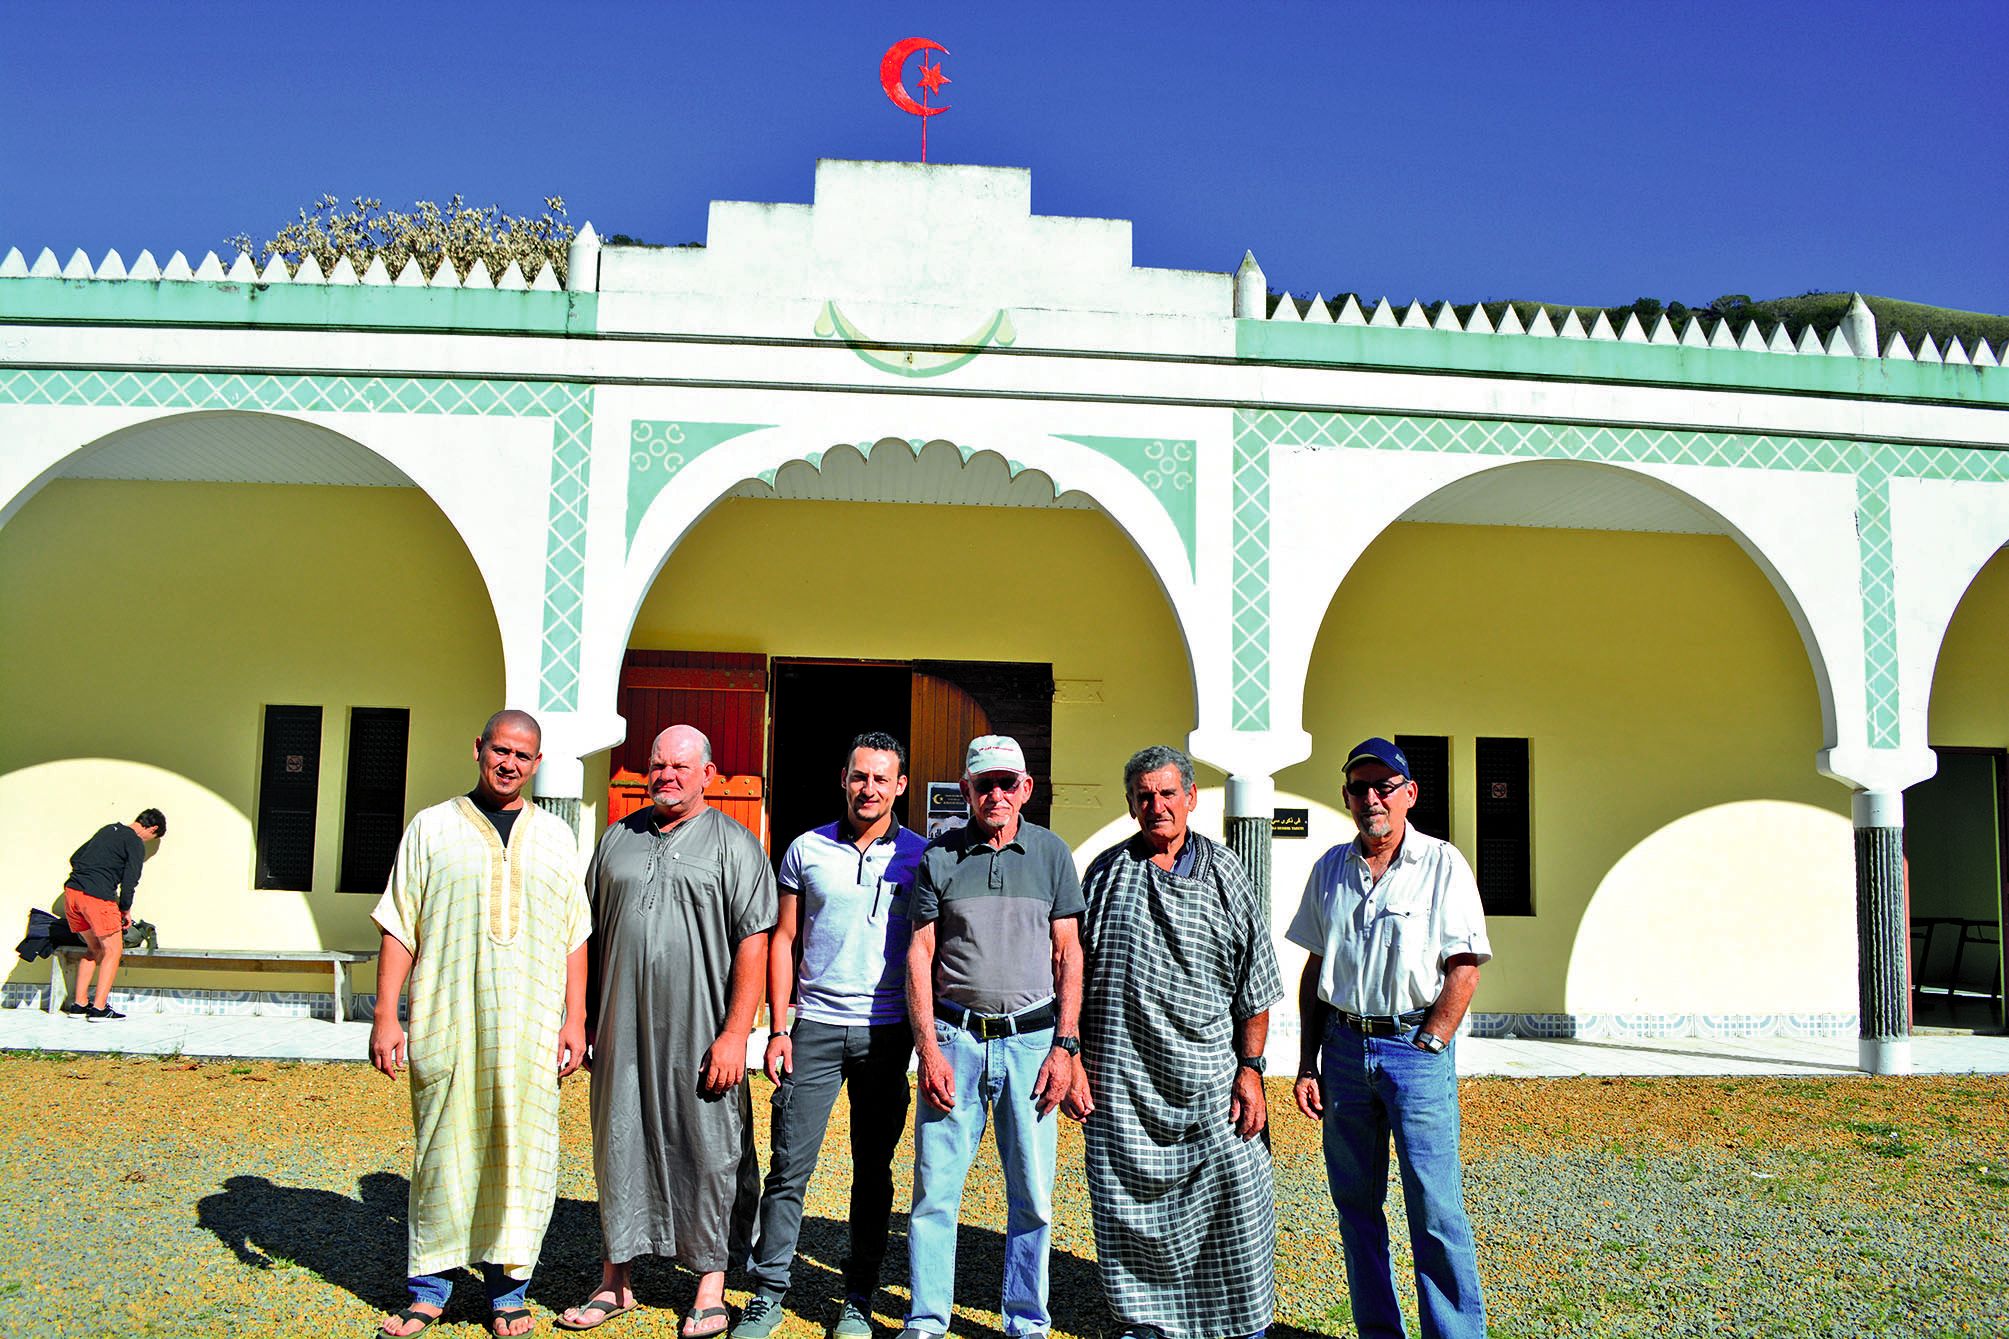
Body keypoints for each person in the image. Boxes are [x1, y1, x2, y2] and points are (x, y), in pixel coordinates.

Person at [369, 709, 591, 1339]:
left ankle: (508, 1290)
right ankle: (429, 1289)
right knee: (444, 1150)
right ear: (478, 749)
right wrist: (387, 1014)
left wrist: (575, 1018)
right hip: (448, 1020)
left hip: (529, 1028)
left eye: (523, 755)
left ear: (537, 762)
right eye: (500, 750)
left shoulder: (554, 837)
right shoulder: (432, 828)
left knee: (521, 1154)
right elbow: (398, 924)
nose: (509, 763)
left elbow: (577, 936)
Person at [562, 724, 777, 1337]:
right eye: (658, 765)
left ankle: (711, 1286)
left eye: (682, 766)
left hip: (702, 1032)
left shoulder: (735, 845)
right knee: (618, 1142)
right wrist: (578, 1017)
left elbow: (755, 943)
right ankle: (615, 1280)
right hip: (621, 1029)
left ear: (708, 774)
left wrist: (738, 1033)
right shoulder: (615, 841)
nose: (667, 776)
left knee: (710, 1151)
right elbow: (585, 937)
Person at [1068, 745, 1282, 1339]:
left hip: (1212, 1083)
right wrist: (1074, 1056)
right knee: (1129, 1212)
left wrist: (1252, 1068)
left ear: (1190, 798)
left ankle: (1239, 1328)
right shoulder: (1106, 875)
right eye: (1144, 795)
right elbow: (1076, 975)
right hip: (1125, 1088)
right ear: (1131, 804)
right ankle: (1145, 1325)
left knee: (1239, 1202)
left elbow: (1255, 983)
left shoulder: (1228, 874)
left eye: (1167, 793)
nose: (1156, 805)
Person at [1288, 737, 1491, 1339]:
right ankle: (1379, 1331)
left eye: (1384, 787)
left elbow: (1465, 966)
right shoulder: (1330, 868)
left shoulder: (1442, 863)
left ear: (1410, 794)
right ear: (1346, 797)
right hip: (1345, 1051)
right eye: (1359, 788)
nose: (1371, 798)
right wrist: (1308, 1062)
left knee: (1435, 1209)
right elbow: (1316, 970)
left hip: (1414, 1049)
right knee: (1355, 1206)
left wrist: (1430, 1044)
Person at [734, 732, 927, 1339]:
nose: (868, 788)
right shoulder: (805, 849)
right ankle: (767, 1293)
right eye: (858, 776)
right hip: (813, 1025)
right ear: (844, 778)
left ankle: (857, 1299)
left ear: (901, 786)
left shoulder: (923, 857)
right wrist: (780, 1024)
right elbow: (784, 940)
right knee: (790, 1168)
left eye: (881, 778)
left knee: (874, 1170)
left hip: (887, 1031)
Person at [901, 735, 1083, 1339]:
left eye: (1009, 783)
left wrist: (1065, 1047)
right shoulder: (939, 858)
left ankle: (1027, 1319)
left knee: (1032, 1195)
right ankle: (927, 1319)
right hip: (956, 1040)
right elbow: (920, 954)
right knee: (934, 1192)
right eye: (985, 785)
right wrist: (928, 1050)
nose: (997, 795)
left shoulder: (1053, 854)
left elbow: (1067, 955)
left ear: (1026, 788)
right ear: (966, 791)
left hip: (1033, 1045)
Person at [59, 807, 166, 1020]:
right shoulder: (135, 842)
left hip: (72, 894)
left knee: (94, 948)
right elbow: (130, 880)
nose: (147, 842)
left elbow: (75, 857)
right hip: (97, 898)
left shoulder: (108, 830)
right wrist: (125, 908)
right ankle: (99, 1009)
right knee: (113, 951)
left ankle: (79, 1005)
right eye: (152, 838)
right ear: (152, 828)